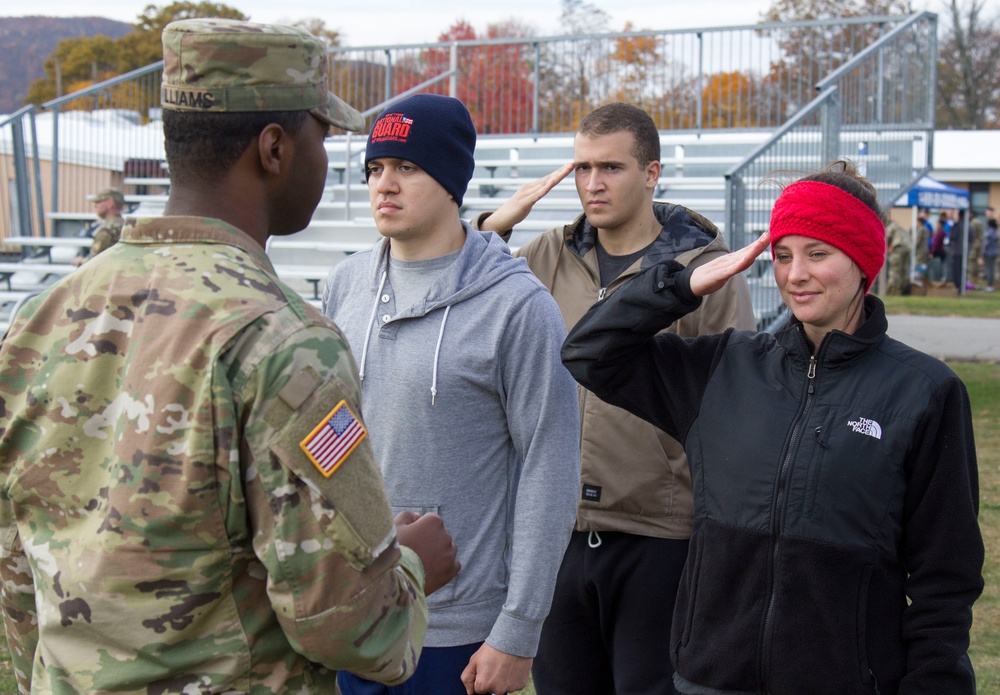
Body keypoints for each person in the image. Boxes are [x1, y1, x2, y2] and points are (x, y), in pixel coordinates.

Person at [0, 19, 460, 693]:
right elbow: (347, 626)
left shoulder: (42, 317)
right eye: (322, 138)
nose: (330, 162)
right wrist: (413, 567)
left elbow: (18, 571)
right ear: (275, 148)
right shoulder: (282, 338)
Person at [561, 159, 984, 695]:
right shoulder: (721, 367)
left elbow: (946, 575)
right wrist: (682, 285)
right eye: (782, 255)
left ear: (862, 260)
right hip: (710, 680)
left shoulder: (925, 391)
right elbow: (589, 352)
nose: (795, 274)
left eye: (818, 253)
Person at [475, 101, 755, 695]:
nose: (592, 184)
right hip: (554, 530)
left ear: (651, 173)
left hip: (659, 534)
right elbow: (461, 286)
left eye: (611, 167)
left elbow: (733, 402)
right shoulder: (545, 254)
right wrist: (494, 226)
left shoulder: (702, 268)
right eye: (581, 168)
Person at [322, 93, 580, 695]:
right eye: (375, 169)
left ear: (451, 181)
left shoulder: (518, 307)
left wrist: (517, 631)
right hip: (356, 611)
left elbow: (551, 467)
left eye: (407, 168)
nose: (385, 184)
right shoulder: (345, 284)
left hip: (459, 632)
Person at [71, 187, 125, 266]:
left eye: (98, 202)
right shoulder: (125, 225)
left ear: (110, 203)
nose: (95, 205)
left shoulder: (108, 230)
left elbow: (93, 262)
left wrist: (79, 261)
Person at [884, 218, 911, 295]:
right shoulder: (899, 226)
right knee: (904, 270)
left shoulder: (891, 226)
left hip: (898, 246)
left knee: (895, 270)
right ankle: (904, 291)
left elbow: (886, 238)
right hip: (908, 247)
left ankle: (891, 292)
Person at [983, 207, 998, 292]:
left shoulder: (989, 233)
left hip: (989, 253)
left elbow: (986, 243)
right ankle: (991, 284)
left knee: (989, 269)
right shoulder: (995, 232)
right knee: (992, 269)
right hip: (994, 252)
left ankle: (989, 285)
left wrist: (983, 253)